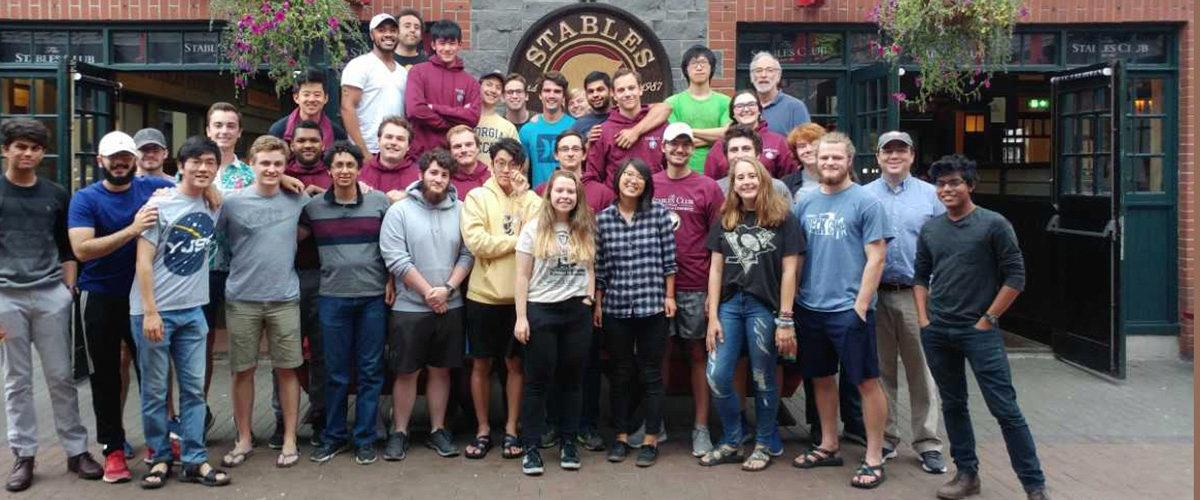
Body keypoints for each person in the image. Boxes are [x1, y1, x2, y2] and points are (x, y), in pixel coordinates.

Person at [915, 154, 1050, 500]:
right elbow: (919, 276)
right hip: (938, 331)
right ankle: (966, 474)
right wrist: (924, 319)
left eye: (955, 182)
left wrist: (988, 319)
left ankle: (1033, 485)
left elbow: (1016, 276)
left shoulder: (993, 224)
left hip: (979, 333)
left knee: (1004, 408)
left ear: (971, 186)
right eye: (941, 184)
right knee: (953, 404)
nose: (947, 189)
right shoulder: (932, 228)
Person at [0, 118, 103, 492]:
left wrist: (68, 290)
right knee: (17, 381)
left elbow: (66, 247)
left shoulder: (57, 194)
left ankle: (76, 451)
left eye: (34, 148)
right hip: (5, 297)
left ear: (42, 153)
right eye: (20, 146)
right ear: (6, 149)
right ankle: (24, 455)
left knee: (61, 376)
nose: (27, 153)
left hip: (50, 294)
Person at [68, 130, 176, 483]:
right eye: (113, 157)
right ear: (100, 160)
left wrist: (211, 190)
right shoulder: (85, 199)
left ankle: (159, 441)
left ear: (135, 161)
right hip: (100, 295)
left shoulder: (151, 189)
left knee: (154, 371)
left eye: (126, 157)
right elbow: (83, 249)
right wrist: (132, 230)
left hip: (145, 296)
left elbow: (193, 190)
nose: (120, 163)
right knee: (106, 375)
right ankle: (113, 448)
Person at [790, 131, 891, 490]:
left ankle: (875, 456)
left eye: (836, 158)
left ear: (849, 161)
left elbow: (876, 257)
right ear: (814, 161)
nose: (829, 163)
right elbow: (797, 257)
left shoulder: (865, 202)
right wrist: (793, 304)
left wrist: (860, 307)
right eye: (823, 157)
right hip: (810, 307)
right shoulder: (804, 201)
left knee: (865, 381)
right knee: (820, 378)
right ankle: (829, 444)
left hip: (849, 310)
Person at [129, 136, 230, 489]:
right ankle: (159, 458)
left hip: (193, 312)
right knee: (155, 391)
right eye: (196, 162)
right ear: (181, 166)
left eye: (209, 163)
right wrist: (150, 311)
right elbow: (142, 262)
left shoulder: (213, 203)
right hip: (155, 312)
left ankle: (195, 459)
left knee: (194, 391)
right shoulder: (159, 206)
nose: (203, 168)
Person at [698, 157, 803, 472]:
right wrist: (713, 315)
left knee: (762, 377)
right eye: (739, 177)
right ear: (733, 183)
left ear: (763, 179)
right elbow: (715, 268)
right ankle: (733, 439)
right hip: (729, 305)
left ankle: (763, 443)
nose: (746, 182)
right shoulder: (726, 217)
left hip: (763, 307)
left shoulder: (783, 218)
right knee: (717, 376)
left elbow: (789, 271)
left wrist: (785, 319)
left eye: (751, 176)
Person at [217, 135, 308, 469]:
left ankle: (289, 438)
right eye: (265, 163)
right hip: (242, 297)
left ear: (285, 166)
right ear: (251, 164)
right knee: (243, 369)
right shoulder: (232, 202)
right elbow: (219, 237)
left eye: (278, 164)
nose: (271, 169)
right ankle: (243, 437)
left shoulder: (297, 199)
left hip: (284, 297)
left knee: (288, 369)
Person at [300, 141, 393, 465]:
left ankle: (365, 438)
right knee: (336, 372)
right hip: (332, 298)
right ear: (329, 170)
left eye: (349, 165)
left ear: (359, 169)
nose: (343, 171)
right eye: (337, 166)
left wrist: (392, 281)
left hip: (372, 299)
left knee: (370, 371)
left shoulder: (379, 202)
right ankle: (334, 436)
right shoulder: (313, 209)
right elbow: (290, 236)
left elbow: (393, 245)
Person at [379, 148, 474, 462]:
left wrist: (446, 289)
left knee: (441, 371)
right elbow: (395, 257)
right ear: (421, 175)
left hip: (450, 303)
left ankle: (437, 430)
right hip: (409, 307)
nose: (439, 179)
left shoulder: (462, 209)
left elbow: (467, 253)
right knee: (406, 372)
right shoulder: (400, 211)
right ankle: (400, 431)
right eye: (433, 173)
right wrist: (428, 293)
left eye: (444, 175)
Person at [863, 131, 947, 473]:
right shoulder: (864, 195)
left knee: (921, 370)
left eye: (901, 150)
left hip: (916, 294)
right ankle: (885, 438)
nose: (894, 156)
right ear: (878, 156)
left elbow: (946, 243)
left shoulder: (931, 196)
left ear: (912, 155)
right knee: (881, 371)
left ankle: (928, 442)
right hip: (876, 294)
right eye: (888, 151)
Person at [782, 124, 867, 448]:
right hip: (810, 297)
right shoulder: (796, 192)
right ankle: (822, 433)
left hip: (848, 299)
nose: (809, 152)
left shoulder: (859, 194)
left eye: (812, 145)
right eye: (803, 148)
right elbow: (795, 247)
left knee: (859, 375)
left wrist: (860, 302)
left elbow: (873, 254)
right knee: (817, 371)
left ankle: (860, 432)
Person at [460, 137, 542, 460]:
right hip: (483, 295)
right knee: (480, 364)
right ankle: (482, 430)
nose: (507, 170)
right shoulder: (477, 197)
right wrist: (517, 241)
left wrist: (523, 199)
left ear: (522, 166)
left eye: (513, 164)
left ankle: (511, 428)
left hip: (520, 300)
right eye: (501, 163)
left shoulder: (532, 199)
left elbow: (539, 236)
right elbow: (477, 242)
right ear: (492, 164)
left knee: (515, 365)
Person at [513, 170, 597, 475]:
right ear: (549, 194)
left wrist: (588, 298)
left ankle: (568, 443)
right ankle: (531, 447)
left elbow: (590, 267)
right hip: (542, 311)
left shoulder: (584, 226)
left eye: (570, 192)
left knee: (573, 382)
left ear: (577, 197)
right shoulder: (533, 229)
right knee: (537, 382)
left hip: (576, 313)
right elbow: (521, 275)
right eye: (559, 191)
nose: (565, 196)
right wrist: (521, 317)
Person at [593, 158, 676, 467]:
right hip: (616, 306)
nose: (632, 180)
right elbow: (599, 267)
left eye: (639, 177)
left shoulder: (659, 216)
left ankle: (651, 439)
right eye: (627, 174)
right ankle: (622, 436)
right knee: (621, 373)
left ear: (646, 184)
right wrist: (598, 302)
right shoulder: (603, 220)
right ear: (618, 179)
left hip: (652, 304)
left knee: (651, 374)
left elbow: (670, 260)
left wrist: (670, 296)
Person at [650, 123, 723, 458]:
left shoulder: (707, 187)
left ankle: (701, 427)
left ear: (692, 149)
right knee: (658, 353)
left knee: (698, 354)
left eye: (685, 145)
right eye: (673, 145)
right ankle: (656, 424)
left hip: (695, 282)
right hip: (654, 284)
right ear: (663, 148)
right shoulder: (650, 182)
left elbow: (718, 243)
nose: (679, 150)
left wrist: (713, 293)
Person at [404, 19, 481, 160]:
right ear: (433, 44)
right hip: (420, 156)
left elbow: (472, 118)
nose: (447, 48)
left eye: (452, 43)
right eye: (442, 43)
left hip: (455, 158)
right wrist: (448, 123)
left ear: (459, 45)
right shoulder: (418, 72)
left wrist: (434, 108)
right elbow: (414, 110)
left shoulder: (470, 82)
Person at [585, 68, 669, 185]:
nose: (627, 94)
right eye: (621, 90)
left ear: (640, 89)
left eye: (631, 88)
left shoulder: (660, 126)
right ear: (613, 94)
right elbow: (592, 177)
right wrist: (610, 199)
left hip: (655, 200)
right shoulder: (602, 132)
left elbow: (671, 169)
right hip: (617, 201)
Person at [341, 13, 408, 155]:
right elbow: (347, 108)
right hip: (367, 149)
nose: (388, 34)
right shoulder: (359, 65)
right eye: (382, 30)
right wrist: (363, 152)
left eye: (393, 30)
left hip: (395, 150)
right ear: (372, 35)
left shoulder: (403, 73)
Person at [665, 45, 732, 174]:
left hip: (718, 172)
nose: (699, 67)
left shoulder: (726, 102)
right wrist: (714, 138)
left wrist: (686, 131)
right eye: (694, 63)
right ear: (686, 69)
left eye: (703, 63)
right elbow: (674, 140)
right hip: (681, 172)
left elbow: (727, 135)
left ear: (711, 68)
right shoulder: (672, 103)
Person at [705, 91, 796, 180]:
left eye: (751, 104)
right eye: (739, 106)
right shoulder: (720, 145)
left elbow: (790, 179)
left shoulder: (778, 142)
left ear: (759, 110)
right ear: (733, 114)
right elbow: (711, 184)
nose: (746, 109)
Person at [519, 71, 577, 187]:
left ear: (563, 96)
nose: (551, 95)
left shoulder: (575, 127)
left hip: (569, 196)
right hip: (539, 198)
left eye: (557, 91)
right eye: (547, 91)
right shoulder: (527, 130)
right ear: (540, 95)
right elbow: (523, 172)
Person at [269, 68, 348, 150]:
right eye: (306, 95)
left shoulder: (337, 134)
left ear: (326, 98)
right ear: (296, 98)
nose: (311, 99)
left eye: (317, 95)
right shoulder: (279, 130)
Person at [712, 125, 793, 203]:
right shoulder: (716, 190)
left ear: (758, 155)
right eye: (734, 150)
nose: (740, 155)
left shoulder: (777, 188)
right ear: (726, 156)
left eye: (746, 149)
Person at [749, 52, 811, 136]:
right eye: (758, 71)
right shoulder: (744, 107)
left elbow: (805, 143)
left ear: (778, 76)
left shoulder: (795, 107)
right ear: (752, 77)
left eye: (769, 70)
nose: (763, 75)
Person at [360, 116, 420, 201]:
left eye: (400, 139)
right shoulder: (361, 172)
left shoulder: (419, 176)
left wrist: (408, 198)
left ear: (408, 146)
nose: (393, 142)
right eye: (389, 137)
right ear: (379, 140)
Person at [476, 70, 520, 168]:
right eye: (489, 84)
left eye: (498, 87)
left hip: (495, 182)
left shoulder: (508, 127)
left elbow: (518, 160)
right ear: (479, 87)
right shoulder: (466, 119)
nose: (493, 90)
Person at [447, 125, 492, 200]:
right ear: (450, 152)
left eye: (468, 145)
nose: (464, 150)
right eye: (458, 146)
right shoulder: (444, 181)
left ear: (478, 148)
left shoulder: (491, 179)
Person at [782, 123, 826, 198]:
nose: (808, 150)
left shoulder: (838, 178)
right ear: (795, 152)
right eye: (802, 146)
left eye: (813, 144)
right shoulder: (786, 183)